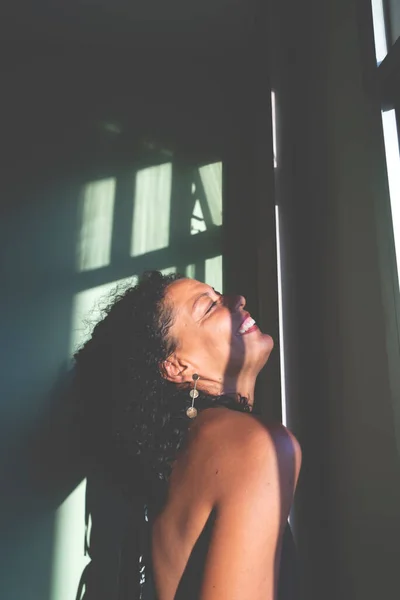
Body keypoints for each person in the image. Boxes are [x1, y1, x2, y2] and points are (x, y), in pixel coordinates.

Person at [74, 270, 301, 600]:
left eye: (217, 294)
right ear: (177, 365)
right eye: (208, 307)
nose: (237, 299)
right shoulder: (254, 445)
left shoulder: (179, 464)